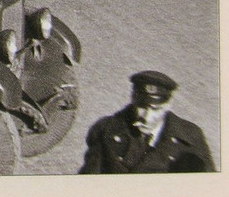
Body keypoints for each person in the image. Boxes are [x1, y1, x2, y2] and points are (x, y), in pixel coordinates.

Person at [80, 70, 215, 173]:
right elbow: (89, 182)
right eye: (142, 107)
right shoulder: (106, 130)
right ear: (132, 98)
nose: (146, 117)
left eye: (156, 109)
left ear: (168, 104)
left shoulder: (190, 137)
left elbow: (207, 186)